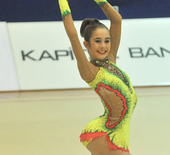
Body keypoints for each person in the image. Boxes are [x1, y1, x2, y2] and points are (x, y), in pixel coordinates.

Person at [58, 0, 137, 154]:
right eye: (97, 41)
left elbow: (117, 20)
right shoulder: (90, 71)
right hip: (104, 133)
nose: (103, 46)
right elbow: (72, 32)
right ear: (87, 44)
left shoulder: (111, 59)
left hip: (119, 133)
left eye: (107, 41)